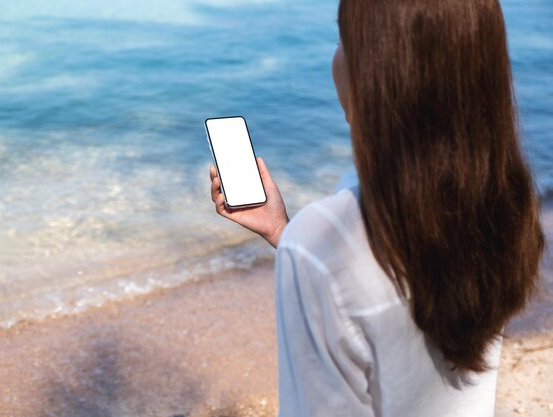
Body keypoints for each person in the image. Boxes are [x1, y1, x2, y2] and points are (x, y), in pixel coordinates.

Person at [208, 0, 546, 415]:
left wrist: (305, 245)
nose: (336, 57)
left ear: (380, 71)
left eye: (342, 39)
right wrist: (286, 233)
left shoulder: (322, 246)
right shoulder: (502, 204)